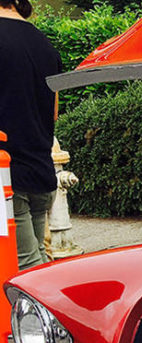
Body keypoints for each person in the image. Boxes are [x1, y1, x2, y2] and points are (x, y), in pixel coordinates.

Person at [0, 0, 61, 269]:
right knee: (40, 260)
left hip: (8, 176)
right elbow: (54, 112)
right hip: (40, 169)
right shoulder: (46, 44)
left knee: (25, 267)